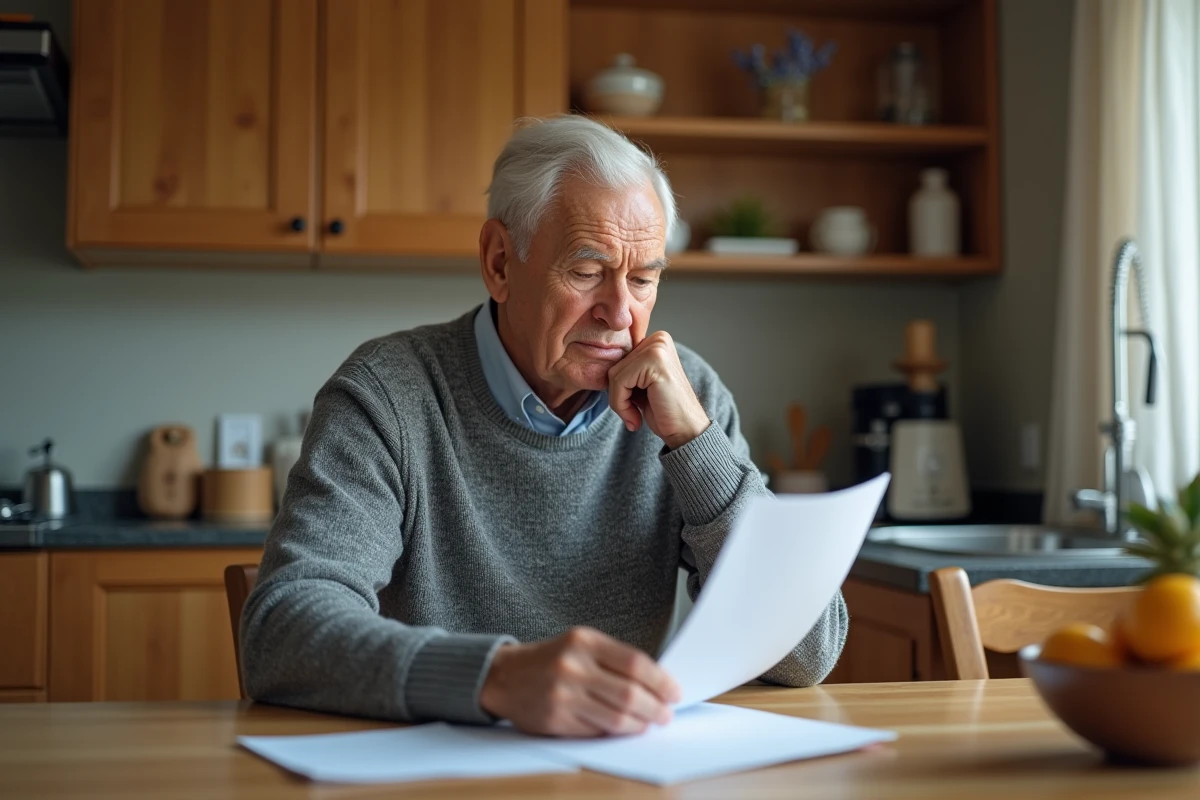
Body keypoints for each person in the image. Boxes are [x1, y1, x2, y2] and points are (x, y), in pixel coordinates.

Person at [241, 115, 848, 738]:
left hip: (614, 773)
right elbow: (282, 630)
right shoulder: (387, 395)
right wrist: (494, 678)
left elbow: (808, 655)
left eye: (643, 280)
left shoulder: (688, 396)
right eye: (587, 273)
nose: (620, 312)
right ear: (500, 262)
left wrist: (696, 445)